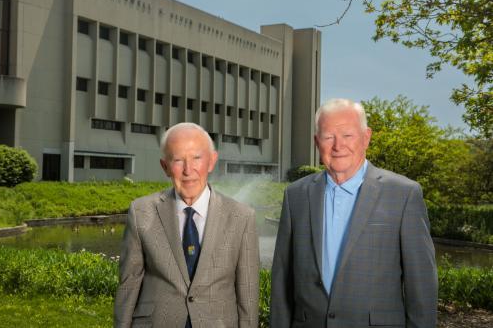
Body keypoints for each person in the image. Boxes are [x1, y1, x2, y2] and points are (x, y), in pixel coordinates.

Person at [270, 98, 437, 327]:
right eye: (329, 137)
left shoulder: (404, 195)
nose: (338, 146)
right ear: (317, 142)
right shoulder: (295, 196)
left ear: (366, 137)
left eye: (347, 135)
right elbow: (281, 280)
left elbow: (422, 286)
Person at [114, 122, 259, 328]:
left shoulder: (242, 217)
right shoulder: (141, 212)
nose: (188, 170)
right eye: (178, 160)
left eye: (197, 158)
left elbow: (248, 294)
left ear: (211, 161)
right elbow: (128, 285)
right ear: (165, 166)